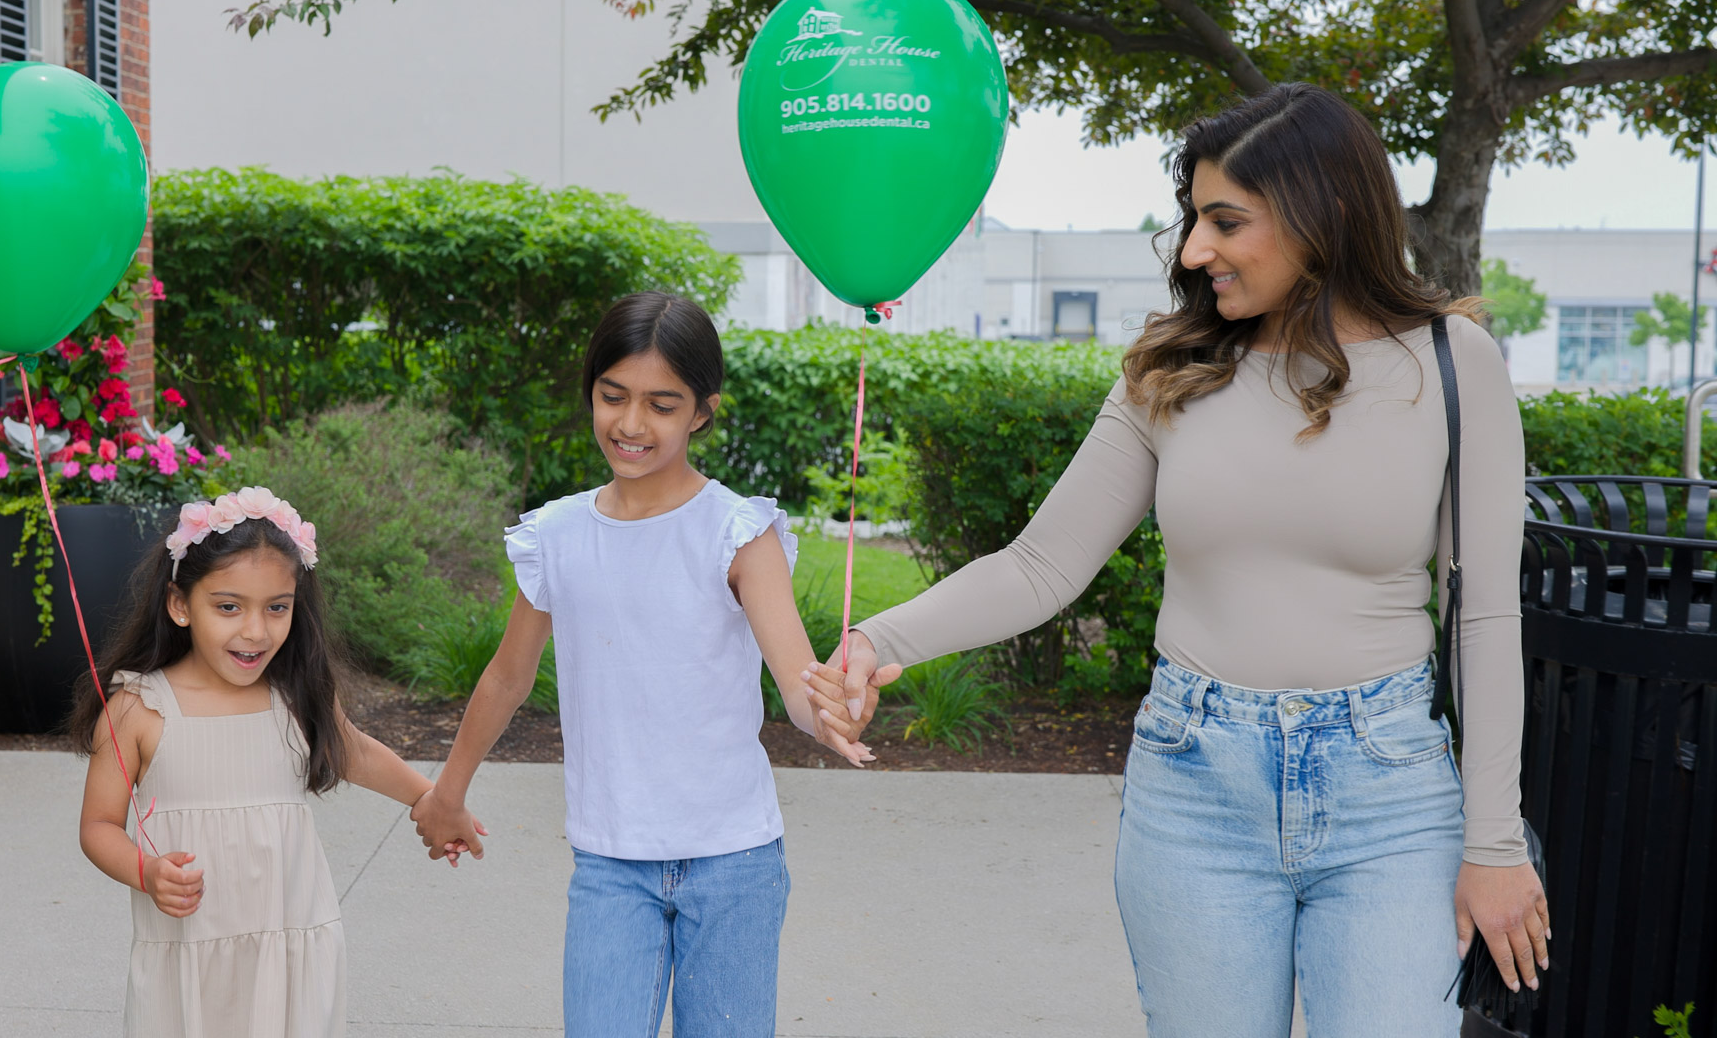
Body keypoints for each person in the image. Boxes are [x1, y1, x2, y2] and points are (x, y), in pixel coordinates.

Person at [806, 83, 1550, 1034]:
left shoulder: (1454, 363)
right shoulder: (1173, 371)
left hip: (1391, 793)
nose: (1196, 250)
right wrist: (877, 636)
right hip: (1197, 785)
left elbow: (1487, 615)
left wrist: (1492, 843)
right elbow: (1041, 565)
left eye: (1225, 221)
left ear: (1321, 215)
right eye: (1194, 219)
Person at [410, 291, 888, 1038]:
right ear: (592, 392)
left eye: (662, 404)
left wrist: (833, 709)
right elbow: (507, 675)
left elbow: (797, 682)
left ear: (702, 410)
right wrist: (448, 789)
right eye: (613, 396)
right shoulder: (558, 534)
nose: (632, 424)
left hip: (734, 862)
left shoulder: (737, 530)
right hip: (610, 864)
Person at [72, 487, 467, 1038]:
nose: (256, 631)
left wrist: (431, 799)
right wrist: (146, 870)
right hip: (191, 953)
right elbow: (98, 825)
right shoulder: (140, 708)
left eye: (276, 607)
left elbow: (353, 750)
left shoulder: (293, 695)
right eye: (228, 606)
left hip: (290, 940)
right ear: (180, 604)